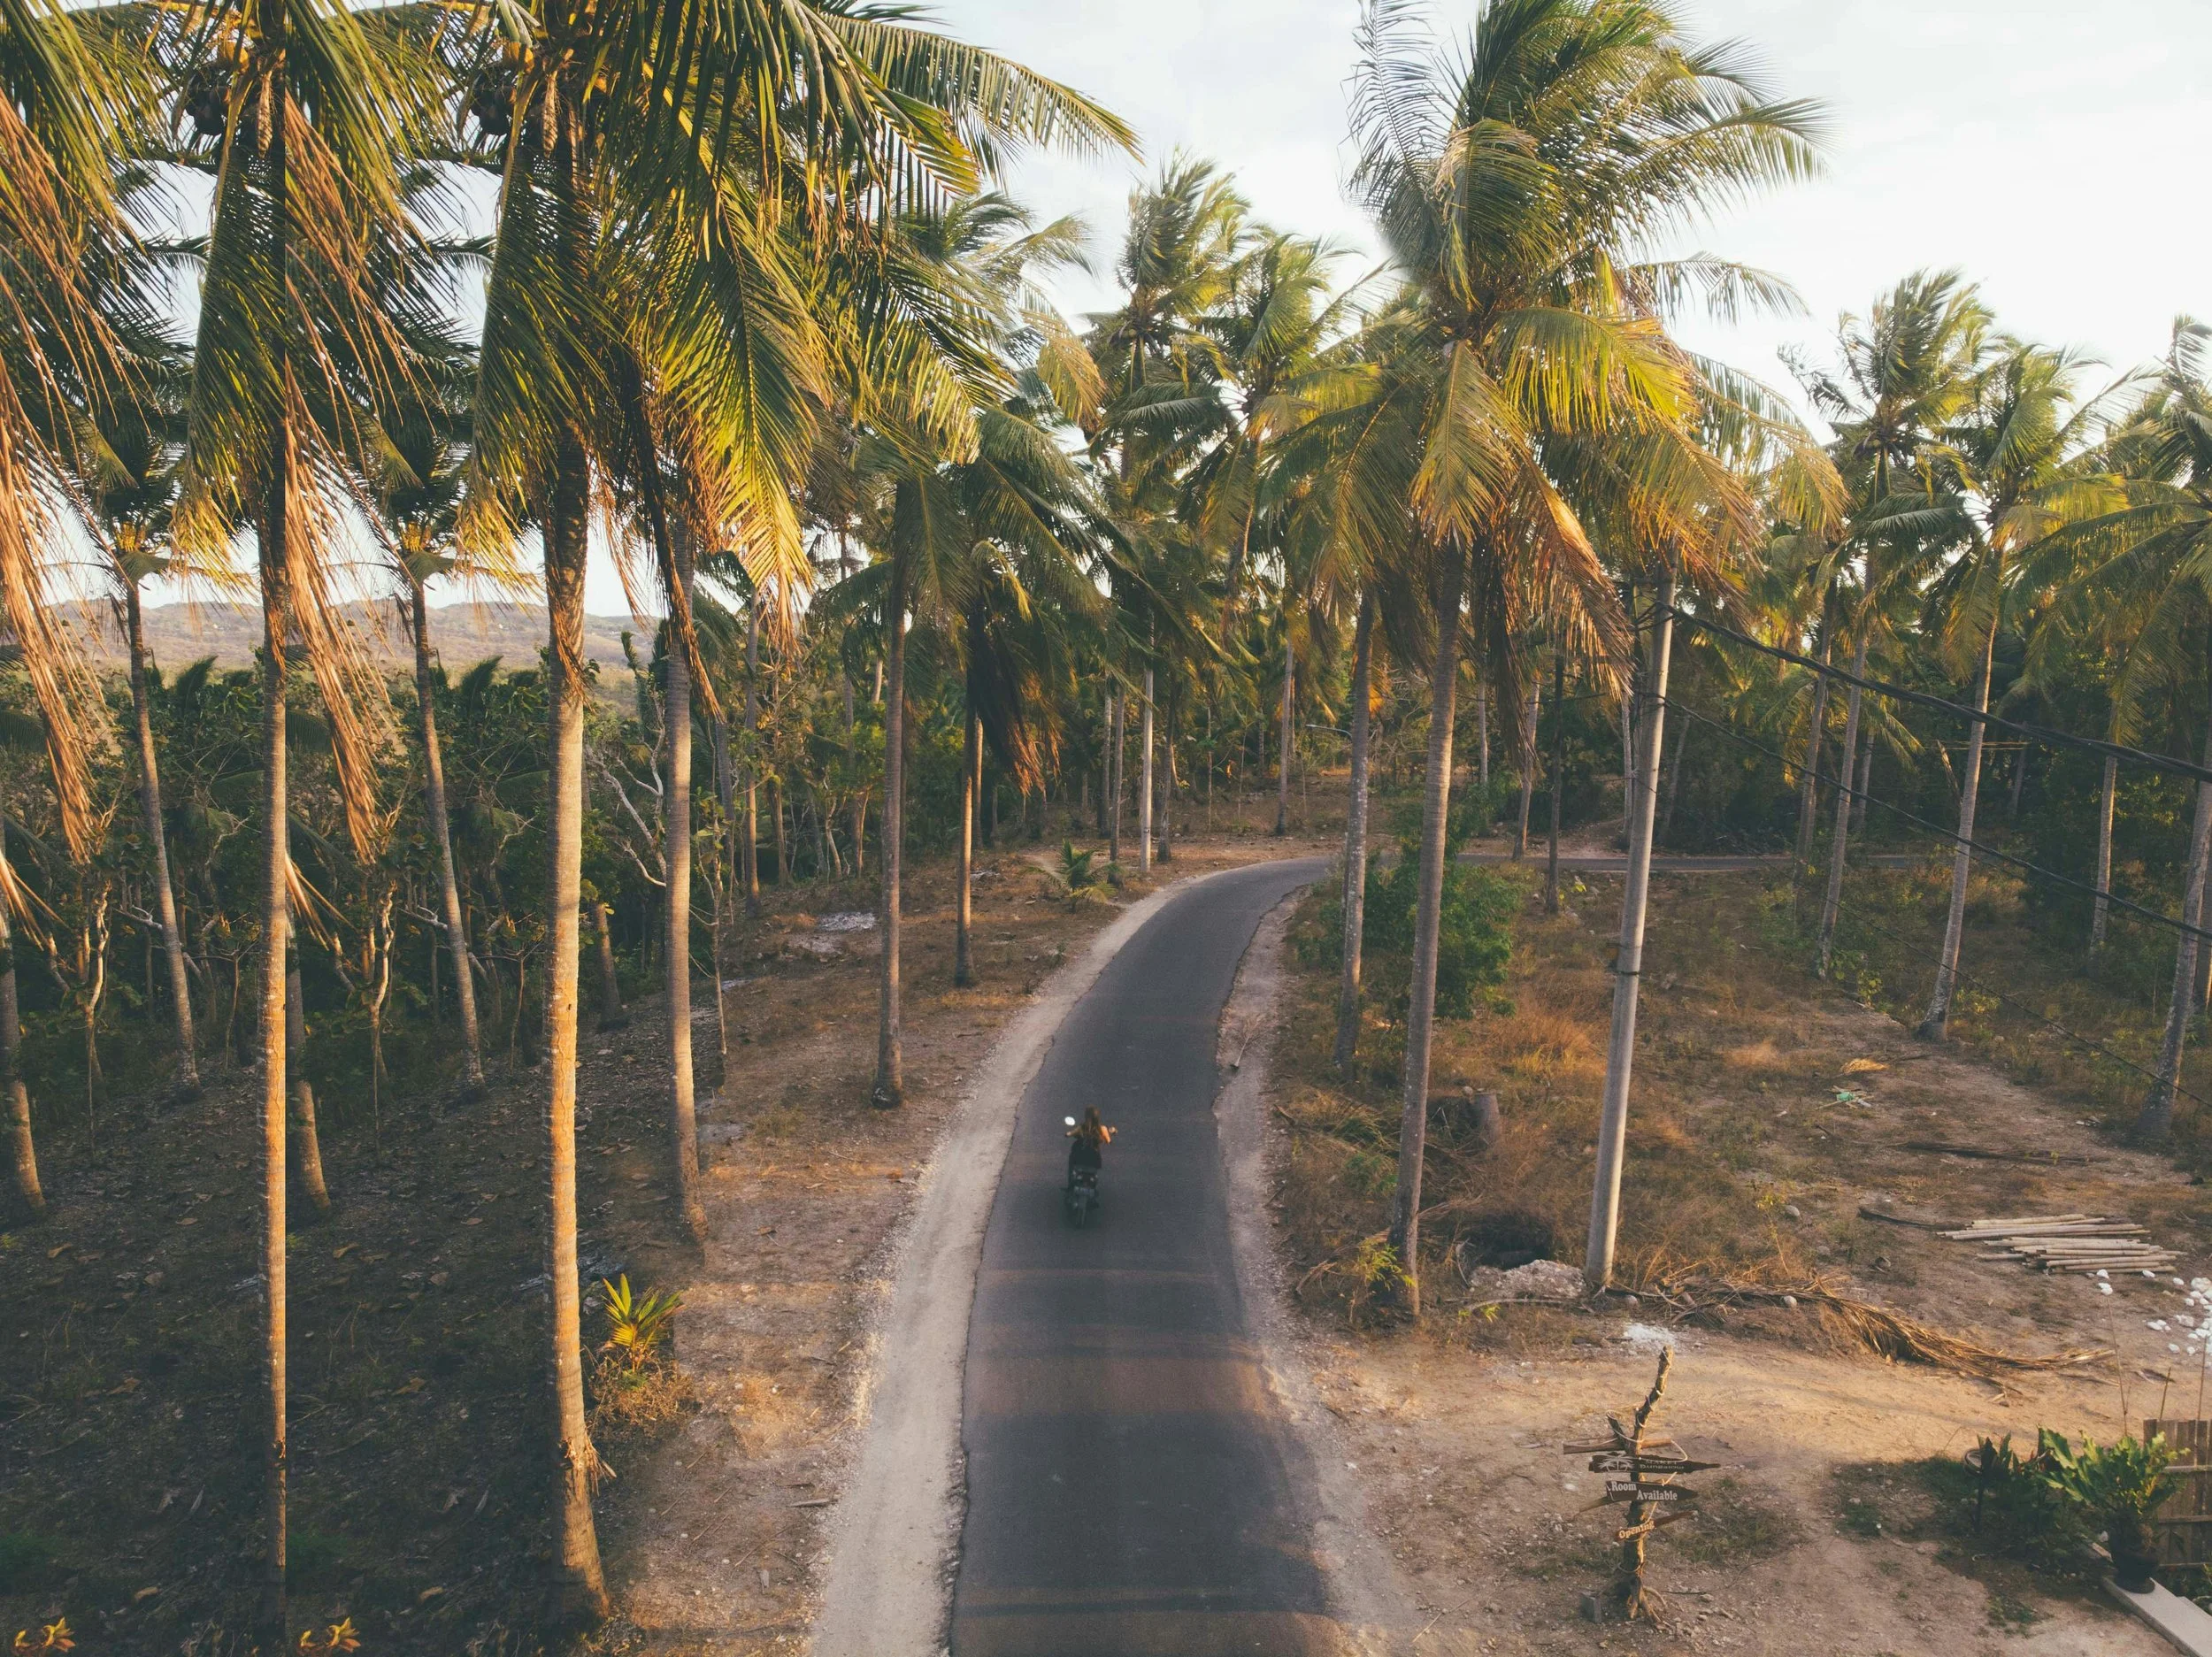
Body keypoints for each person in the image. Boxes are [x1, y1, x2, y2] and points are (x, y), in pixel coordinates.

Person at [1065, 1106, 1114, 1189]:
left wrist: (1068, 1134)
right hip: (1094, 1159)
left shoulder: (1081, 1127)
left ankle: (1070, 1186)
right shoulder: (1102, 1129)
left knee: (1072, 1162)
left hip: (1080, 1157)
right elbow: (1109, 1141)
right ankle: (1093, 1189)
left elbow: (1069, 1134)